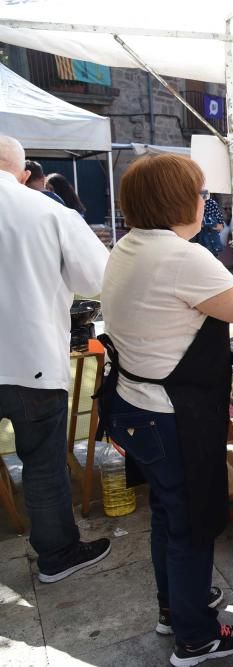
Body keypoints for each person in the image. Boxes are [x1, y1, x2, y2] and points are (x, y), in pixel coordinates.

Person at [99, 153, 233, 666]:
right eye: (199, 194)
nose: (204, 203)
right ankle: (196, 637)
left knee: (170, 517)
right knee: (193, 522)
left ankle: (176, 607)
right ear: (176, 200)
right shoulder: (180, 256)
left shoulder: (129, 246)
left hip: (133, 405)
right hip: (166, 413)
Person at [0, 135, 111, 583]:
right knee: (43, 464)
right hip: (31, 359)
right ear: (23, 172)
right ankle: (57, 555)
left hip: (31, 358)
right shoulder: (47, 210)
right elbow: (96, 277)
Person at [190, 192, 225, 257]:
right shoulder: (194, 203)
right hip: (201, 239)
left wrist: (205, 223)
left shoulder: (211, 202)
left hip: (208, 239)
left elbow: (219, 225)